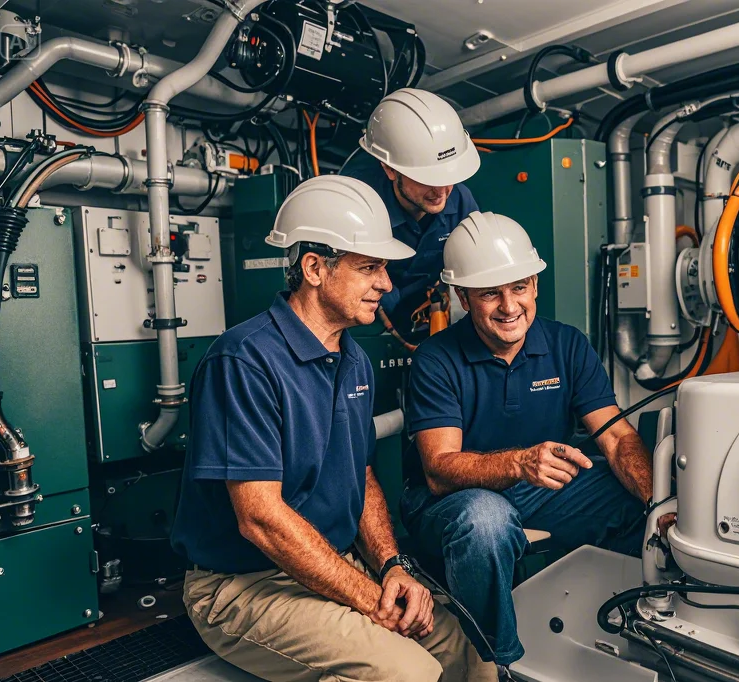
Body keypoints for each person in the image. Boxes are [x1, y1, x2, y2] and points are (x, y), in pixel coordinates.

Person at [170, 176, 496, 682]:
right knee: (407, 674)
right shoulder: (244, 361)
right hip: (244, 583)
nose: (387, 285)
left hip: (331, 565)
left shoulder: (354, 359)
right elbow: (261, 519)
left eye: (385, 269)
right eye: (369, 268)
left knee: (467, 656)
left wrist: (390, 566)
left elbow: (360, 475)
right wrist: (369, 597)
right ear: (315, 268)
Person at [399, 211, 655, 670]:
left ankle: (618, 627)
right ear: (462, 296)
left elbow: (616, 437)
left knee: (638, 501)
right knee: (484, 520)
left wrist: (661, 502)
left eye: (519, 287)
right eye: (489, 293)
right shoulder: (436, 359)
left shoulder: (567, 345)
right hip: (452, 502)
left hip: (541, 491)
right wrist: (519, 463)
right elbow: (439, 470)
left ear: (535, 284)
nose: (509, 306)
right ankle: (496, 664)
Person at [340, 88, 480, 342]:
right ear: (390, 170)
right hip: (361, 326)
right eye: (428, 178)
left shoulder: (459, 200)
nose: (442, 191)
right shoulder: (355, 206)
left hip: (428, 322)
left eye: (448, 177)